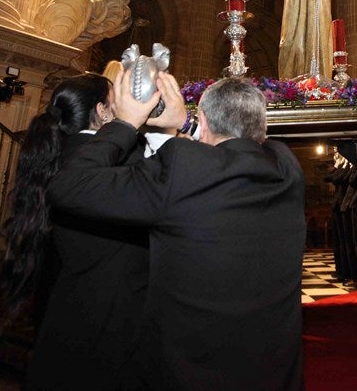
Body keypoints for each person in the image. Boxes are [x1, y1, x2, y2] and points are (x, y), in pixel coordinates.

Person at [47, 72, 305, 389]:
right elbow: (233, 146)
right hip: (272, 369)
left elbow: (69, 187)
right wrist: (188, 124)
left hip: (192, 371)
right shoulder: (287, 166)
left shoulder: (183, 168)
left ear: (205, 121)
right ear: (261, 126)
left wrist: (125, 124)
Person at [0, 74, 148, 390]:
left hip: (63, 310)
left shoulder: (56, 151)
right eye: (115, 99)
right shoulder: (117, 161)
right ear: (103, 111)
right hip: (108, 320)